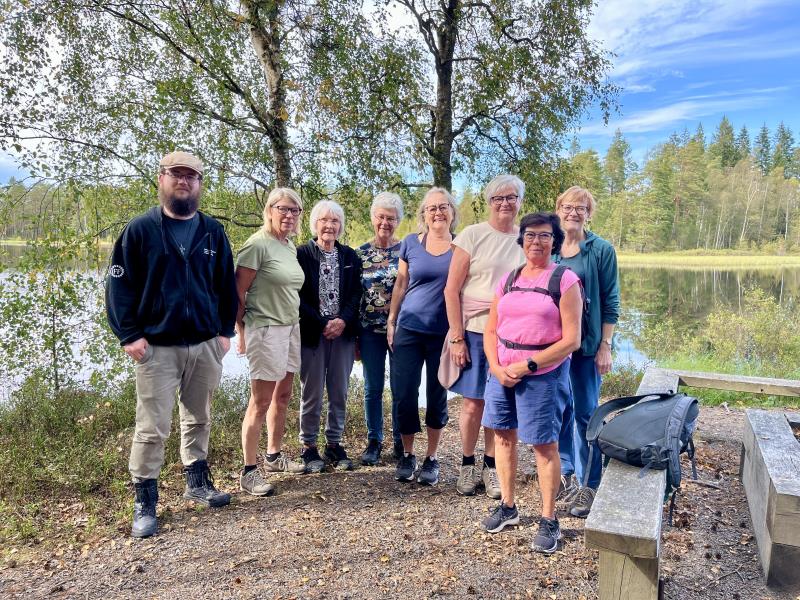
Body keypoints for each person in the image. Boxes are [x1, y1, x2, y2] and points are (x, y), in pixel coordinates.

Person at [106, 151, 237, 538]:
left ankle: (196, 481)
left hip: (204, 344)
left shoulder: (212, 231)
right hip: (157, 348)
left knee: (199, 417)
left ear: (199, 184)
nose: (184, 181)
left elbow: (226, 286)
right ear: (161, 179)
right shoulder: (140, 230)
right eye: (176, 175)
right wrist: (128, 335)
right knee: (152, 426)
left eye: (191, 176)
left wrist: (224, 332)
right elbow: (118, 285)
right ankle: (145, 500)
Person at [480, 212, 582, 554]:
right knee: (503, 438)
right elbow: (491, 329)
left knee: (543, 446)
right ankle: (508, 506)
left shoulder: (564, 280)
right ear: (521, 240)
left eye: (543, 236)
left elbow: (572, 340)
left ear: (554, 241)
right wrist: (495, 367)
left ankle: (549, 519)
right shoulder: (509, 280)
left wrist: (528, 364)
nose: (536, 242)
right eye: (529, 235)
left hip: (542, 375)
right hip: (503, 373)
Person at [443, 174, 525, 498]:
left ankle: (491, 466)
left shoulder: (526, 238)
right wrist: (456, 337)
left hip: (511, 337)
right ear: (489, 202)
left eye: (511, 197)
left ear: (519, 202)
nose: (505, 203)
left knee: (499, 402)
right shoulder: (473, 235)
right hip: (475, 332)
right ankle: (466, 463)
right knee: (473, 403)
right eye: (498, 198)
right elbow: (451, 289)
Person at [235, 188, 307, 496]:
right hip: (265, 329)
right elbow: (237, 294)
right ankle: (250, 471)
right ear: (270, 210)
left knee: (284, 394)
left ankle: (274, 455)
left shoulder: (288, 246)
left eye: (295, 211)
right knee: (260, 401)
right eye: (283, 209)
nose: (289, 215)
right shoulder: (257, 245)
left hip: (291, 327)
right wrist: (242, 332)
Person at [554, 186, 620, 518]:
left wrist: (605, 346)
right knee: (559, 412)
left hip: (584, 347)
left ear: (588, 213)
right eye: (567, 206)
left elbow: (611, 302)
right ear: (558, 209)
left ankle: (590, 483)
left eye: (581, 208)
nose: (573, 212)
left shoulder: (601, 250)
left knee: (585, 415)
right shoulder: (549, 247)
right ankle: (566, 474)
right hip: (552, 348)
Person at [387, 187, 457, 486]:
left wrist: (459, 333)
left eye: (443, 207)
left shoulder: (461, 247)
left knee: (437, 395)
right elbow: (401, 283)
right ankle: (407, 453)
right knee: (403, 393)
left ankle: (431, 457)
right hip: (408, 329)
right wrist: (391, 320)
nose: (438, 212)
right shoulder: (410, 243)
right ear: (424, 214)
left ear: (452, 212)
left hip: (442, 334)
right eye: (432, 208)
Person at [297, 201, 362, 472]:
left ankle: (334, 443)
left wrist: (343, 320)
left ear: (340, 226)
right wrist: (322, 321)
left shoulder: (349, 256)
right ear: (315, 223)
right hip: (313, 332)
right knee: (311, 392)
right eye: (324, 220)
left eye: (335, 221)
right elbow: (297, 295)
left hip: (343, 334)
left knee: (339, 390)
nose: (329, 225)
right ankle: (308, 447)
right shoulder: (302, 254)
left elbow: (356, 294)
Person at [356, 192, 404, 465]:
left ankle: (400, 440)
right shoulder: (359, 253)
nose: (385, 222)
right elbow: (354, 296)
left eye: (391, 218)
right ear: (373, 218)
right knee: (372, 388)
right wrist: (354, 338)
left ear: (398, 221)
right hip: (368, 330)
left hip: (399, 330)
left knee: (400, 387)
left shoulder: (406, 250)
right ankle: (374, 440)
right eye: (381, 217)